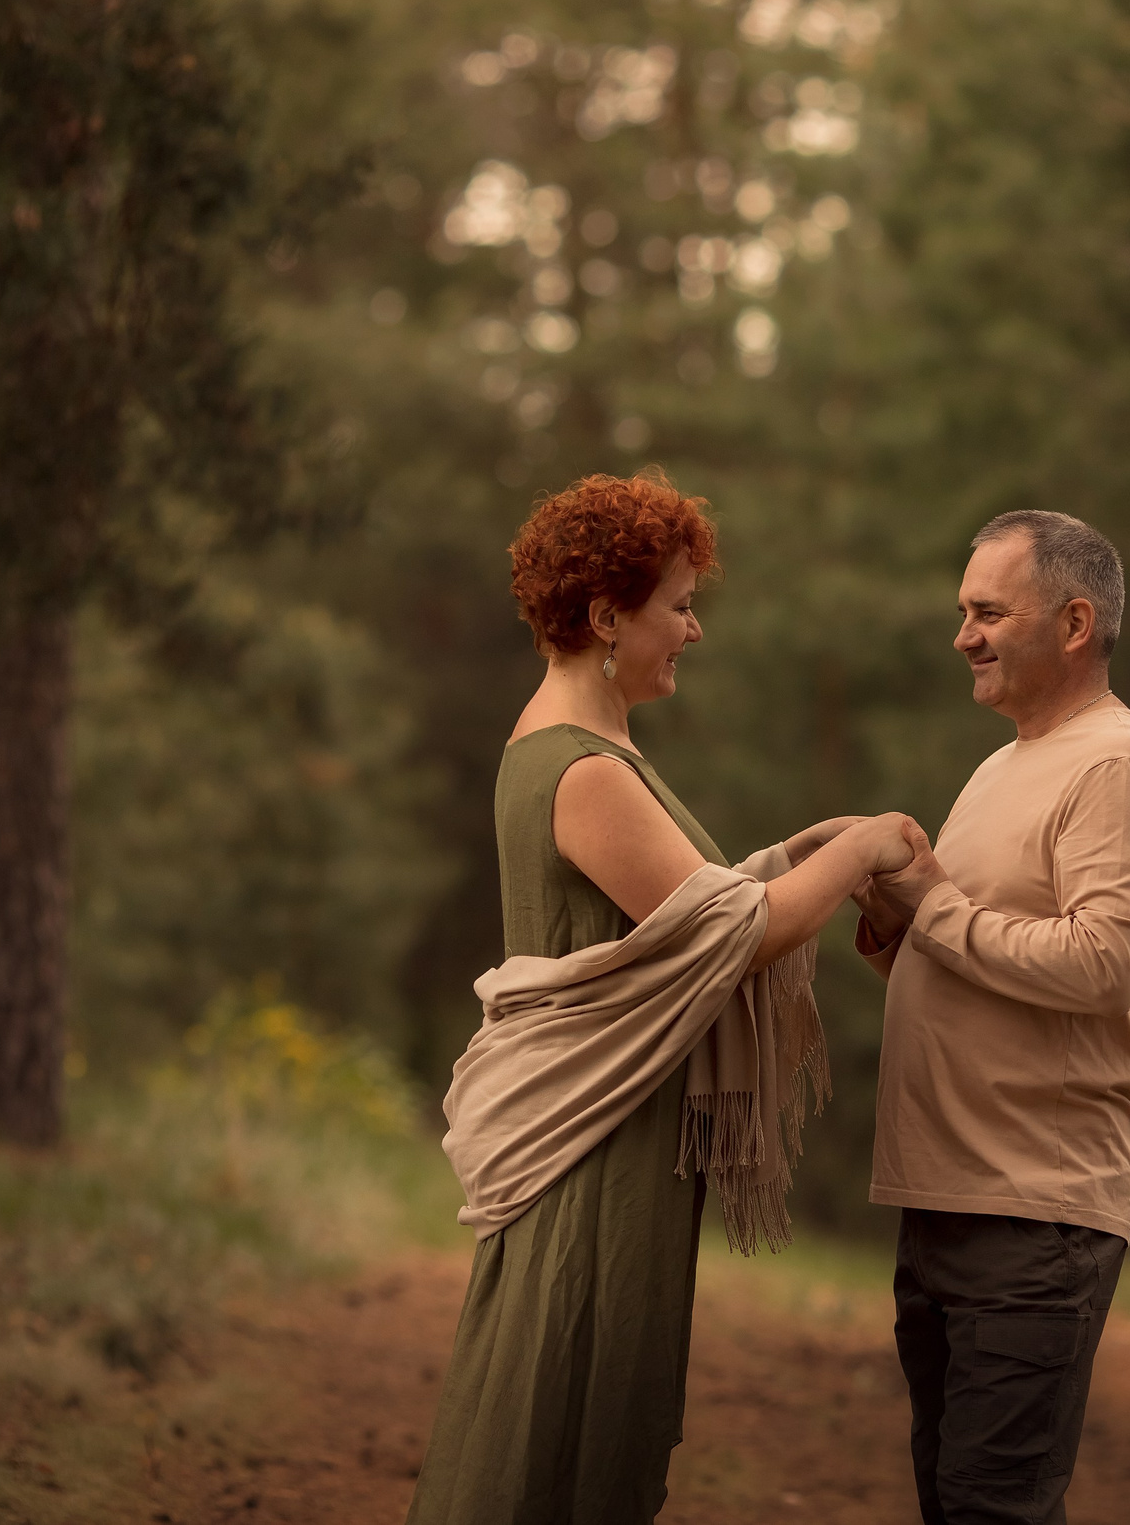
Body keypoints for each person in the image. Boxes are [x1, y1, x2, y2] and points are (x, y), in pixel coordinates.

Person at [409, 470, 919, 1525]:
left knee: (594, 1405)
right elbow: (737, 932)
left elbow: (681, 909)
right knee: (566, 1409)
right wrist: (865, 841)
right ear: (605, 616)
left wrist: (801, 848)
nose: (693, 631)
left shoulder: (590, 750)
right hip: (598, 1145)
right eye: (679, 606)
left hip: (618, 1128)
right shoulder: (580, 766)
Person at [855, 510, 1130, 1525]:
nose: (962, 633)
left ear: (1075, 622)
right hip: (948, 1201)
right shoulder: (1002, 765)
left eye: (988, 611)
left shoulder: (1117, 768)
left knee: (988, 1511)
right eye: (963, 611)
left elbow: (1101, 967)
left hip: (1034, 1211)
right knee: (954, 1503)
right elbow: (978, 963)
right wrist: (892, 924)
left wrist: (936, 909)